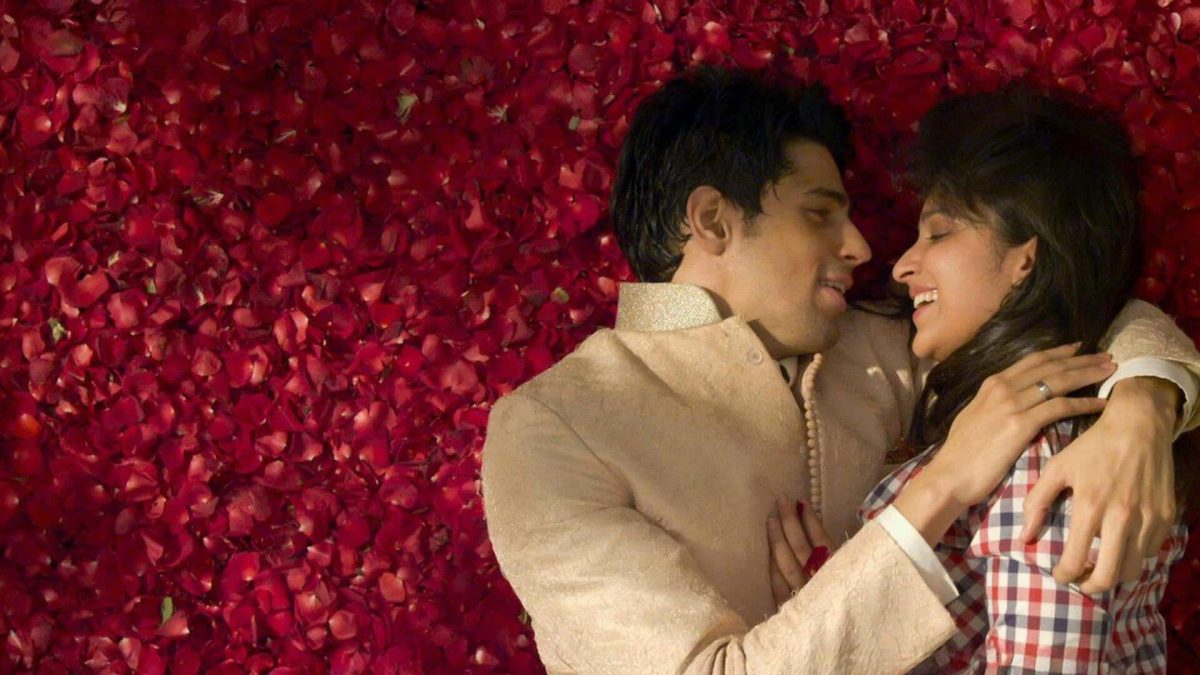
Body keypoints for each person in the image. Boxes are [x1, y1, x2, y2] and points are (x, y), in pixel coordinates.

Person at [481, 68, 1200, 673]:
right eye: (820, 213)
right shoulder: (556, 428)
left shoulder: (889, 344)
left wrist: (1143, 403)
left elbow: (1058, 304)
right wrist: (943, 482)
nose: (861, 246)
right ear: (714, 220)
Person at [852, 89, 1187, 671]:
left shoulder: (1042, 454)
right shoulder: (1028, 423)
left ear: (1024, 260)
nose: (902, 265)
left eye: (938, 233)